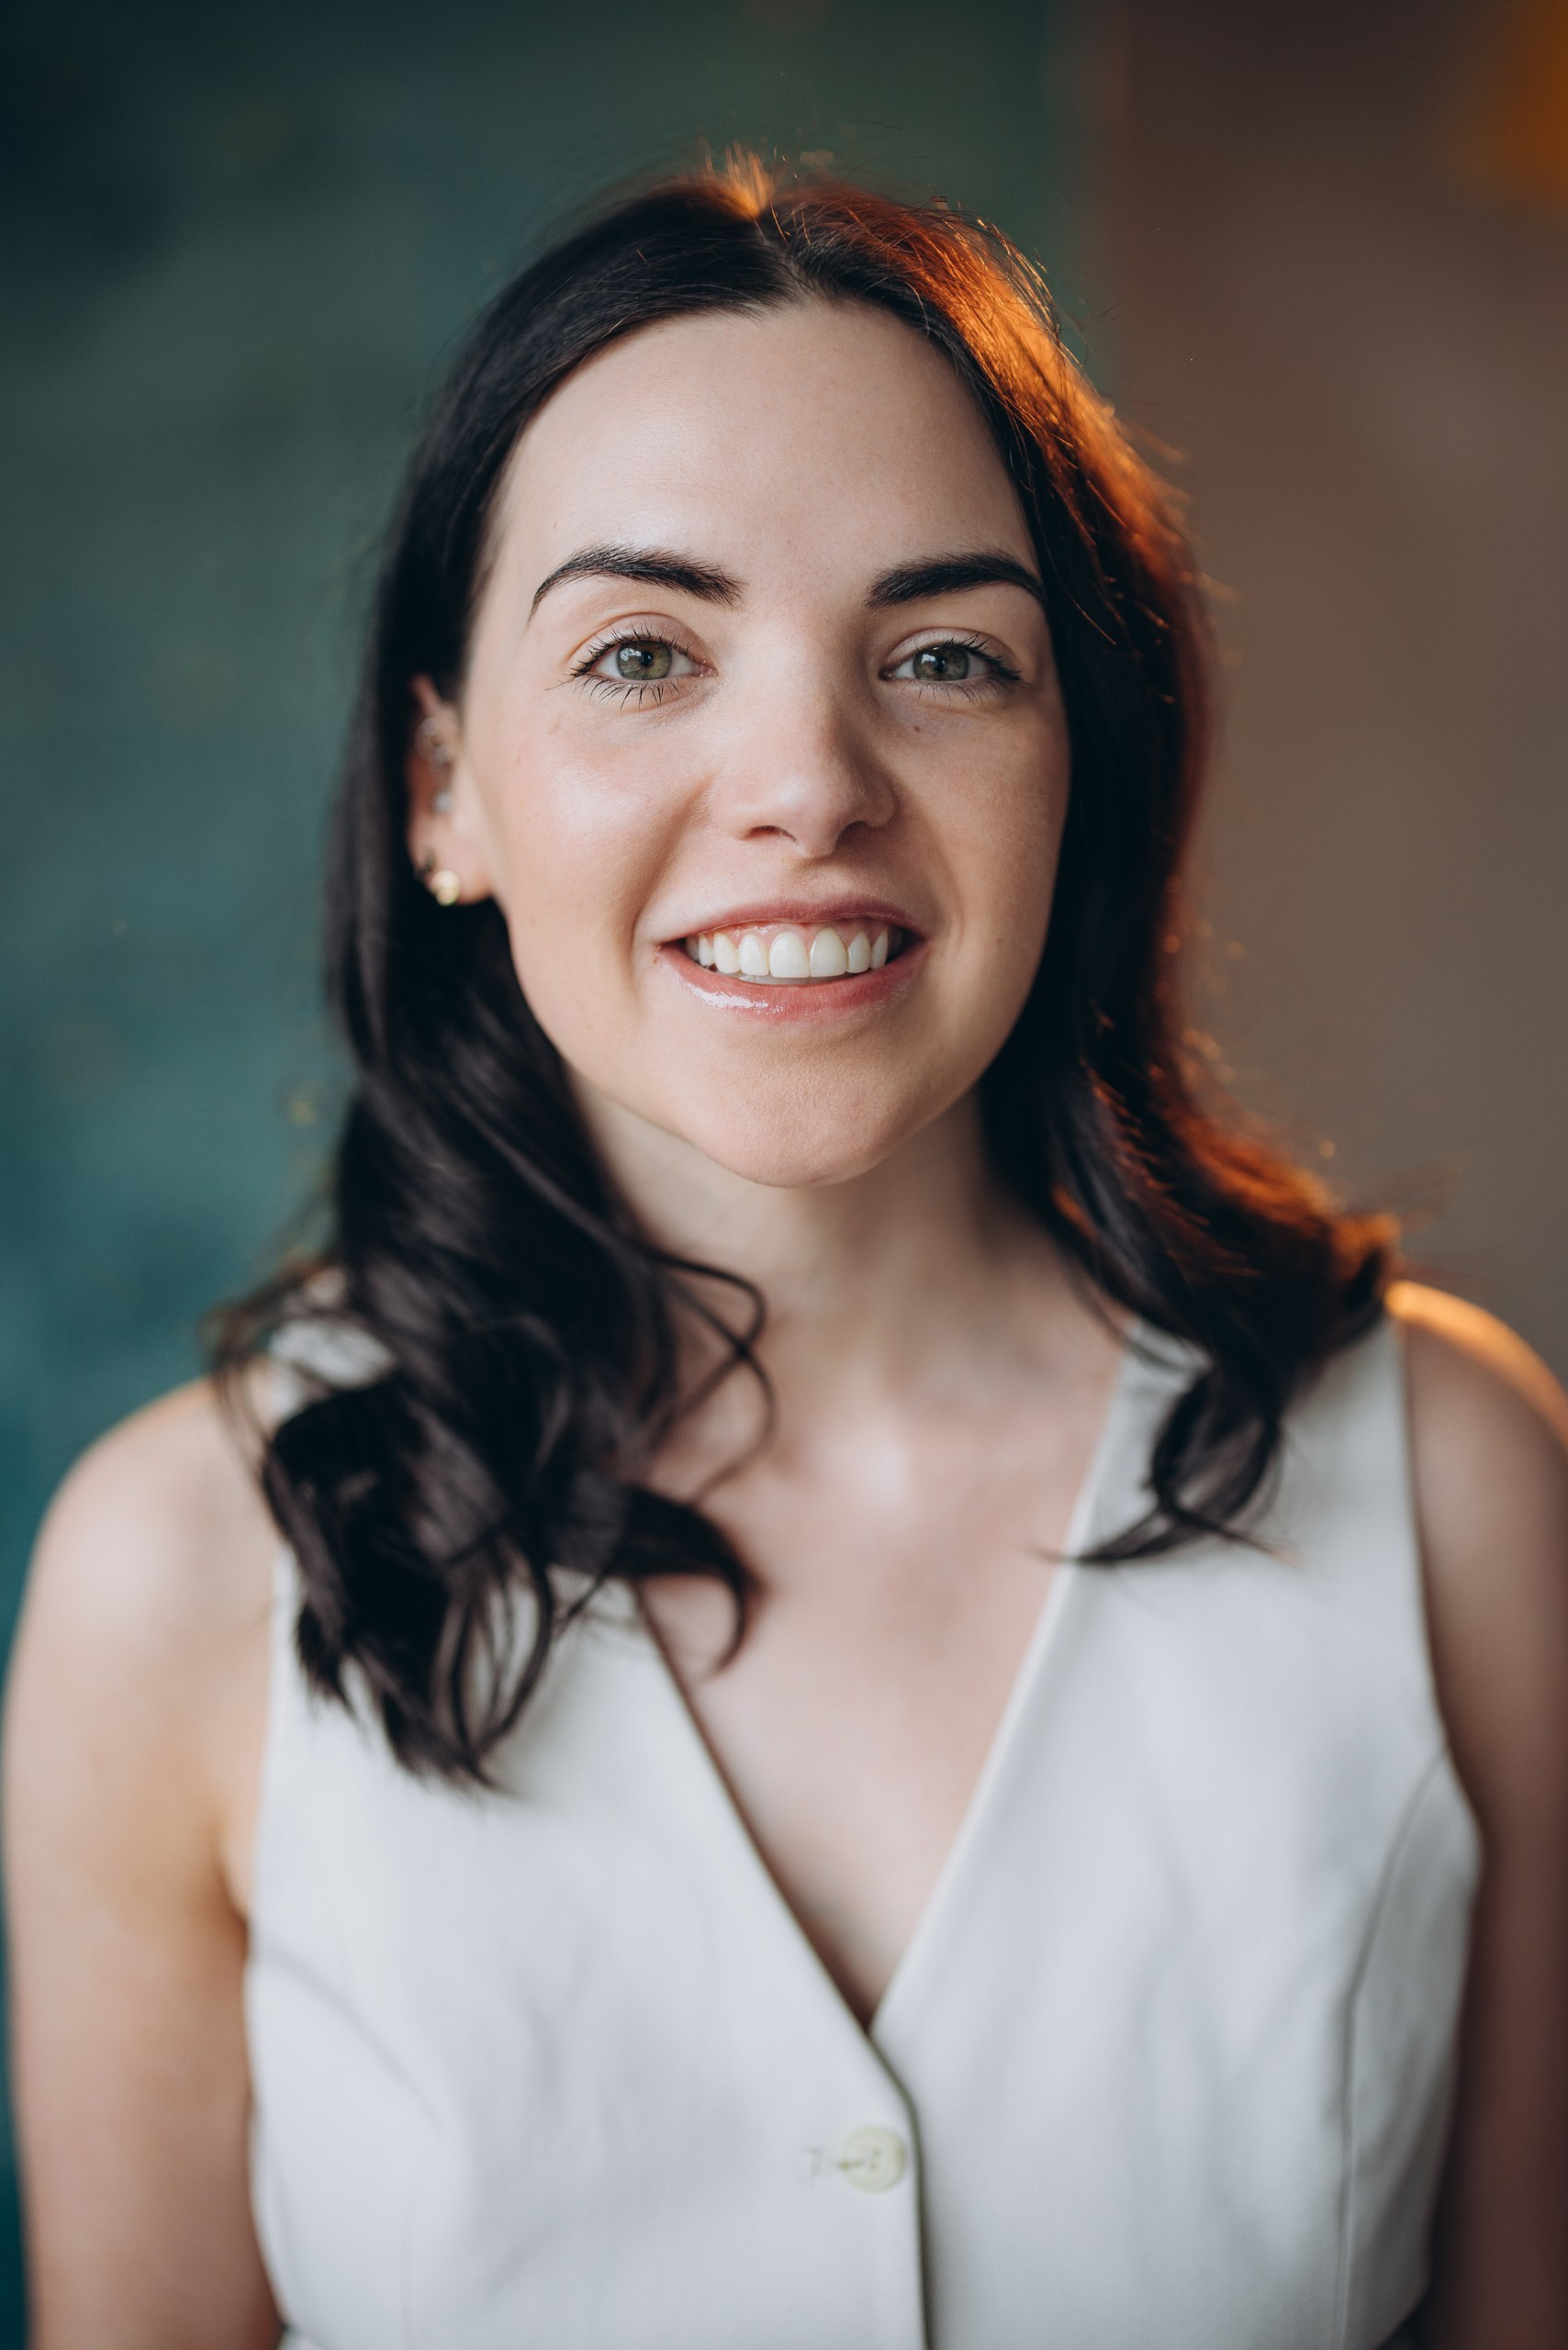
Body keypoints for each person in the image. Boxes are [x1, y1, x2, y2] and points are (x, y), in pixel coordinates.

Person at [6, 157, 1567, 2350]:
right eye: (642, 652)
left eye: (940, 655)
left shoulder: (1458, 1481)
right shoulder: (174, 1573)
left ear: (1074, 771)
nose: (804, 783)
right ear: (443, 786)